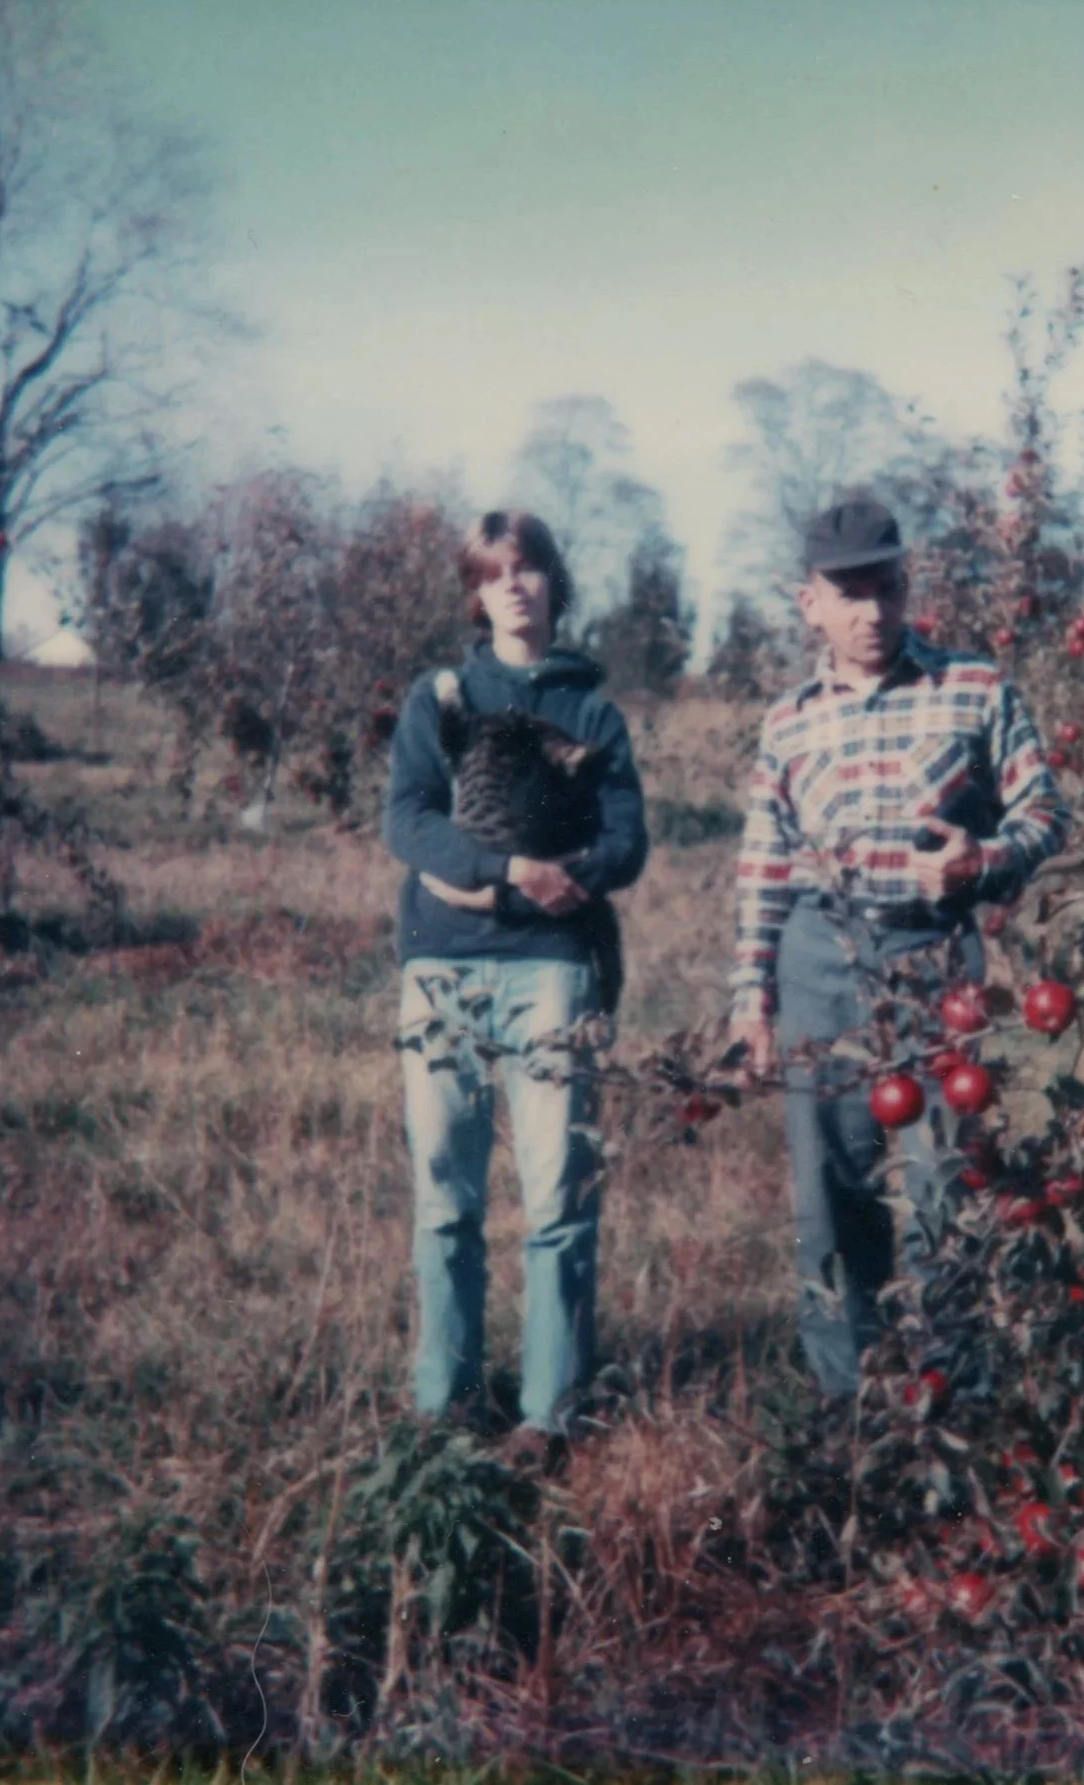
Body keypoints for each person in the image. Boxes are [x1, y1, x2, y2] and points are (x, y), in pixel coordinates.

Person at [728, 497, 1069, 1397]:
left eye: (883, 589)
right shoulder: (787, 722)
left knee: (943, 1187)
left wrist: (983, 860)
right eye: (846, 593)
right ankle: (852, 1413)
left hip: (933, 965)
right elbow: (764, 866)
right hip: (818, 962)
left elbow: (1046, 814)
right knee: (831, 1198)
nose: (868, 612)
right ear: (808, 602)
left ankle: (959, 1403)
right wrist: (751, 994)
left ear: (905, 587)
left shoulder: (976, 688)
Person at [383, 509, 648, 1467]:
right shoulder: (441, 696)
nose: (516, 588)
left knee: (556, 1198)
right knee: (445, 1195)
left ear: (553, 585)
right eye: (497, 575)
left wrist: (568, 870)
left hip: (552, 969)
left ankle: (549, 1414)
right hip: (445, 964)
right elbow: (407, 821)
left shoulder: (593, 711)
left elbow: (628, 842)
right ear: (477, 592)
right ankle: (443, 1400)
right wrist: (500, 870)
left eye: (531, 570)